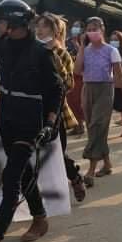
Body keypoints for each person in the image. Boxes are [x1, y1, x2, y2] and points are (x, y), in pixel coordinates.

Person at [0, 0, 64, 242]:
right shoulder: (2, 46)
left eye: (0, 21)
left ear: (15, 22)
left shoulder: (41, 53)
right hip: (7, 119)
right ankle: (40, 217)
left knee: (11, 177)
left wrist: (50, 122)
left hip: (30, 123)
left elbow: (56, 91)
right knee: (22, 174)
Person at [75, 17, 122, 186]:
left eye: (95, 28)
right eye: (89, 29)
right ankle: (107, 163)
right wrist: (80, 48)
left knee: (97, 125)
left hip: (105, 90)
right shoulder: (85, 50)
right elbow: (77, 71)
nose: (92, 32)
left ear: (102, 30)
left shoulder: (110, 51)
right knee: (94, 127)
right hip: (87, 89)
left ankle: (91, 169)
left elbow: (120, 76)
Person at [36, 14, 86, 202]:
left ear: (55, 31)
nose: (40, 30)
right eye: (38, 26)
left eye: (45, 27)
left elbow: (69, 84)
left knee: (56, 151)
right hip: (32, 107)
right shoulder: (32, 50)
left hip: (55, 110)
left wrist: (58, 67)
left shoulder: (62, 53)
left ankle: (74, 176)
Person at [66, 20, 86, 136]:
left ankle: (81, 125)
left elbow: (85, 55)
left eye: (78, 26)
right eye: (74, 26)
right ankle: (76, 125)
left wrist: (78, 45)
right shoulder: (67, 40)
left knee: (79, 101)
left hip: (80, 75)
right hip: (70, 73)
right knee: (70, 101)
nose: (75, 28)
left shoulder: (84, 41)